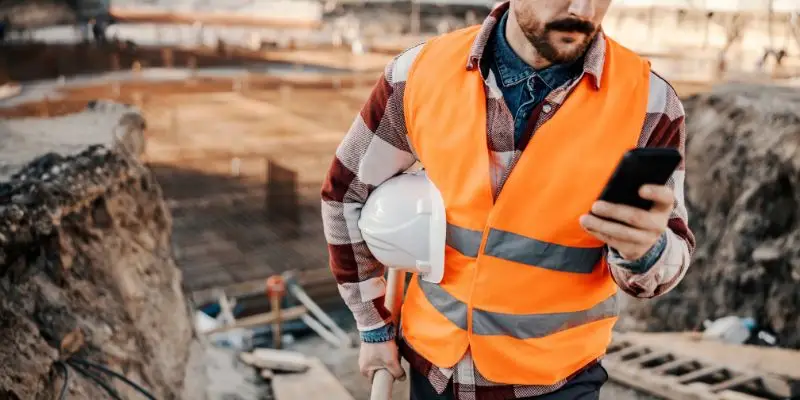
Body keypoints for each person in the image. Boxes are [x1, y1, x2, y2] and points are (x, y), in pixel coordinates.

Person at [320, 0, 696, 399]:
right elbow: (346, 195)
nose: (583, 8)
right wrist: (373, 326)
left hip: (556, 382)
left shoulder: (649, 104)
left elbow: (666, 262)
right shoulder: (419, 74)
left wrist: (645, 251)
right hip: (434, 373)